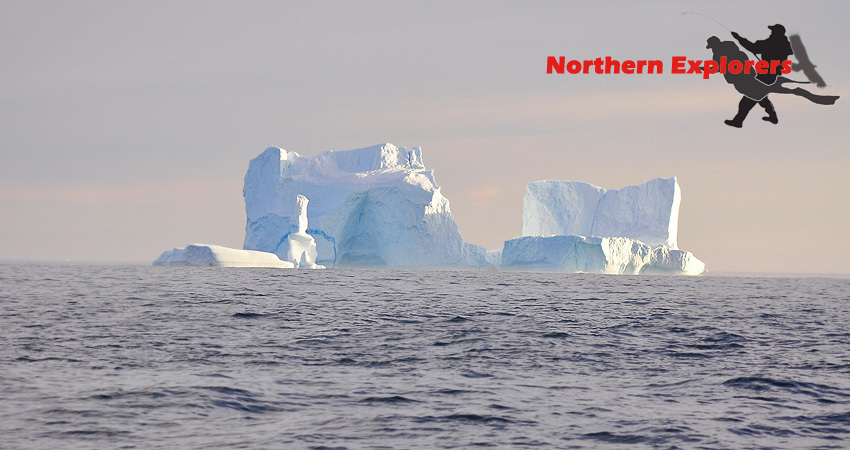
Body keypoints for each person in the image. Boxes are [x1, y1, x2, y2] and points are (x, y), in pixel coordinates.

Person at [724, 24, 793, 127]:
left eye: (773, 31)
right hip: (770, 76)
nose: (771, 33)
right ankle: (772, 116)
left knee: (746, 101)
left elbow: (753, 48)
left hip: (766, 76)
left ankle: (738, 121)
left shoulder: (773, 43)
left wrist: (738, 38)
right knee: (761, 97)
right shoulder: (783, 44)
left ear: (776, 33)